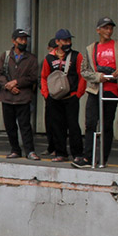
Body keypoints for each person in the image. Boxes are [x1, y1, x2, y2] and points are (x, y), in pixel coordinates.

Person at [76, 16, 118, 168]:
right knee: (91, 123)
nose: (109, 31)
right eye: (105, 28)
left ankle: (103, 158)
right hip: (95, 89)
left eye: (111, 28)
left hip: (112, 90)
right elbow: (84, 71)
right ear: (98, 30)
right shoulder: (91, 48)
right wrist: (98, 77)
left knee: (107, 125)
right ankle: (87, 158)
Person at [0, 29, 39, 160]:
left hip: (23, 97)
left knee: (25, 126)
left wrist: (17, 82)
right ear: (14, 41)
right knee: (10, 126)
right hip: (7, 97)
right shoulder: (6, 56)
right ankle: (15, 149)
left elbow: (32, 77)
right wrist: (8, 85)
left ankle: (30, 151)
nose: (24, 42)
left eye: (25, 39)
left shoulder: (31, 58)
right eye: (21, 39)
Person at [41, 31, 85, 162]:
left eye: (69, 41)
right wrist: (46, 94)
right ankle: (60, 153)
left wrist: (78, 94)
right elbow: (44, 77)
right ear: (57, 42)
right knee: (57, 126)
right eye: (65, 41)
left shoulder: (77, 56)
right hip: (54, 97)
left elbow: (82, 75)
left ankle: (77, 153)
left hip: (71, 96)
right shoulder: (49, 58)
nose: (68, 43)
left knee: (73, 126)